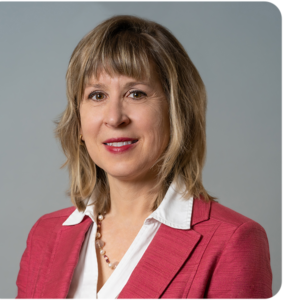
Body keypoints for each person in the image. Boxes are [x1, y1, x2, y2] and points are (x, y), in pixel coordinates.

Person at [15, 15, 272, 300]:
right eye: (97, 95)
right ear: (78, 122)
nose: (114, 118)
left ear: (177, 113)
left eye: (136, 94)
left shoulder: (232, 241)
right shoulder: (45, 235)